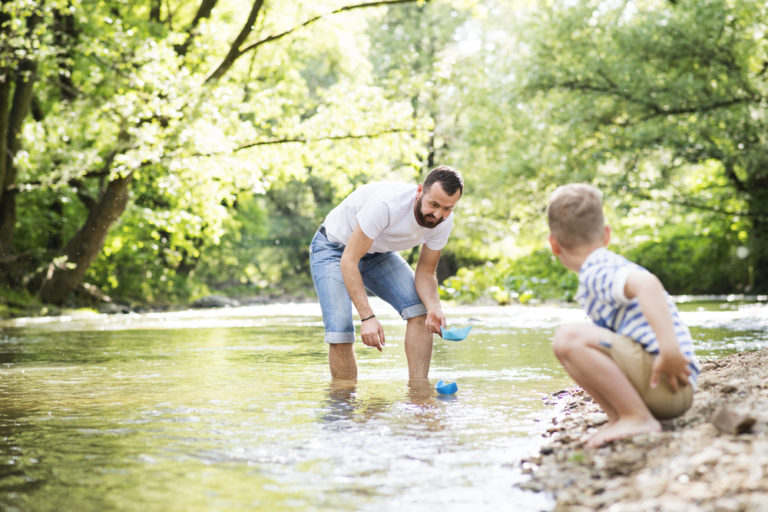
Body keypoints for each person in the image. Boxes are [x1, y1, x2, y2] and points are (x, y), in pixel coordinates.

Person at [546, 183, 700, 448]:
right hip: (665, 386)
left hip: (670, 383)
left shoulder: (598, 268)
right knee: (573, 343)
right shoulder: (599, 267)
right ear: (607, 234)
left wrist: (670, 350)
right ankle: (621, 417)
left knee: (568, 338)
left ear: (554, 245)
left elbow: (647, 283)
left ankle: (635, 417)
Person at [310, 166, 464, 381]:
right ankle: (343, 407)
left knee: (420, 312)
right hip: (334, 248)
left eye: (447, 208)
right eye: (433, 204)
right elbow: (349, 260)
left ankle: (418, 394)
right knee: (341, 331)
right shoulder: (387, 205)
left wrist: (434, 307)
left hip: (377, 253)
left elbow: (426, 273)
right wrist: (368, 317)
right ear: (420, 191)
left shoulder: (444, 222)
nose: (438, 214)